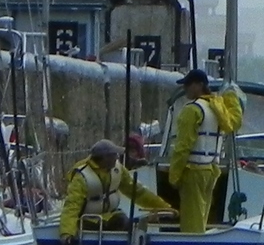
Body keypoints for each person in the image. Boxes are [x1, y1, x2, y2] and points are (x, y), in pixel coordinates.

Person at [167, 68, 244, 234]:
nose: (185, 88)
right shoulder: (217, 108)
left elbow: (183, 147)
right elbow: (234, 123)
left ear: (199, 85)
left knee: (191, 223)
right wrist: (231, 97)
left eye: (188, 84)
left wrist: (174, 175)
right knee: (202, 217)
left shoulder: (192, 110)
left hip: (193, 172)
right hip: (210, 171)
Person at [59, 138, 172, 236]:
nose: (117, 157)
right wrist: (67, 233)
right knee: (125, 224)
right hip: (90, 220)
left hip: (111, 215)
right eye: (114, 155)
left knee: (126, 222)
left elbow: (137, 191)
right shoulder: (81, 177)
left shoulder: (117, 170)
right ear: (104, 158)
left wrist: (164, 207)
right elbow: (71, 207)